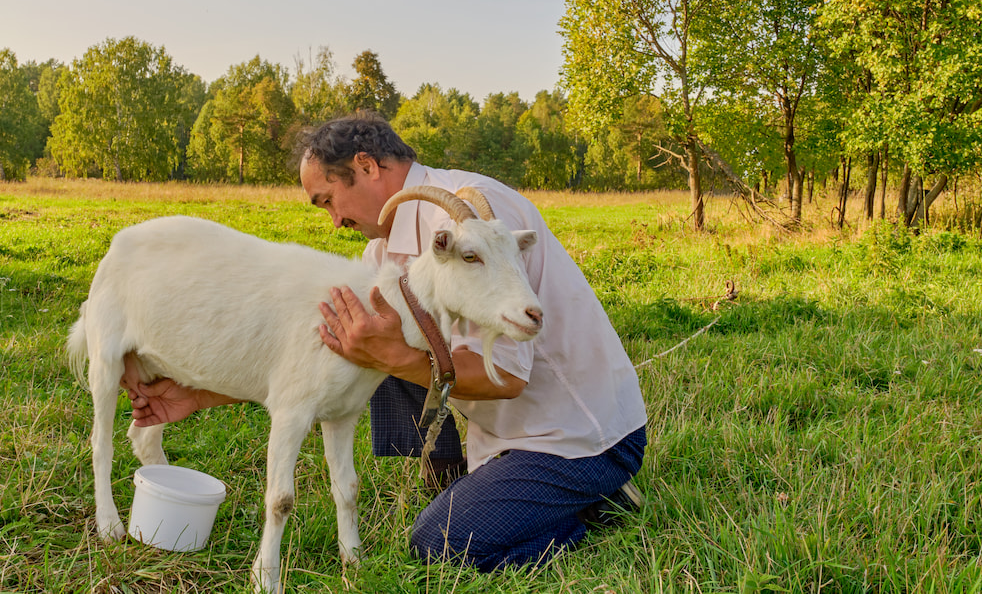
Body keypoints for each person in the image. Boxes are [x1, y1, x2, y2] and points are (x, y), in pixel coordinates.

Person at [122, 112, 648, 572]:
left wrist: (395, 354)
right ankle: (454, 479)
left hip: (577, 437)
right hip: (505, 439)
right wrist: (199, 394)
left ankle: (589, 504)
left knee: (439, 543)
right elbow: (315, 365)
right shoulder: (385, 252)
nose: (333, 221)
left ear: (367, 167)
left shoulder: (470, 215)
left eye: (329, 199)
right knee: (373, 324)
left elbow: (508, 377)